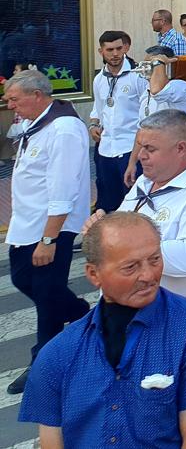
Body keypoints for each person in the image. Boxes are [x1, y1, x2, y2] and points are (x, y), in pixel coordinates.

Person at [18, 212, 186, 446]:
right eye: (131, 267)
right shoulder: (58, 354)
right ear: (93, 274)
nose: (148, 275)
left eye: (155, 259)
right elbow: (51, 441)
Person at [4, 69, 92, 395]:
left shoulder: (65, 129)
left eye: (14, 99)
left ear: (36, 95)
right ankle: (82, 314)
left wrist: (49, 239)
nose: (10, 105)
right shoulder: (36, 122)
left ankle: (43, 363)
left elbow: (63, 187)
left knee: (45, 294)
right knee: (23, 280)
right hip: (27, 224)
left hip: (50, 227)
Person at [106, 109, 186, 327]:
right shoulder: (146, 181)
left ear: (181, 148)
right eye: (139, 146)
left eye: (150, 149)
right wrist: (103, 226)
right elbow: (121, 223)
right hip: (142, 319)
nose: (140, 156)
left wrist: (125, 249)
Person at [88, 30, 148, 213]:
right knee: (108, 202)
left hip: (130, 148)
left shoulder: (139, 76)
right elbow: (98, 109)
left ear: (126, 48)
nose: (115, 54)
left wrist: (136, 157)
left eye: (118, 48)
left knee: (134, 204)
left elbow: (146, 118)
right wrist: (93, 125)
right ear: (101, 52)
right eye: (109, 49)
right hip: (106, 149)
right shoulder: (99, 79)